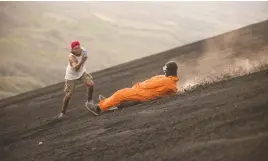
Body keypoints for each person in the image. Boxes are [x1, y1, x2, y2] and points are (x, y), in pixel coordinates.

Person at [87, 61, 179, 116]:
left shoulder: (168, 82)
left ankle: (98, 108)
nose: (164, 70)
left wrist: (137, 87)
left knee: (120, 94)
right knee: (122, 97)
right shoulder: (167, 79)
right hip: (143, 92)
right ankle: (107, 102)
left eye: (165, 69)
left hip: (144, 94)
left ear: (169, 70)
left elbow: (147, 85)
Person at [59, 40, 94, 118]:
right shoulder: (71, 57)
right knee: (68, 95)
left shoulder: (83, 50)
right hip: (71, 76)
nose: (78, 50)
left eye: (78, 48)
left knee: (91, 84)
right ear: (72, 50)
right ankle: (63, 112)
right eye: (75, 48)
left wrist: (84, 58)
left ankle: (89, 101)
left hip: (81, 73)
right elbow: (75, 68)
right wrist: (82, 61)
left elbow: (85, 54)